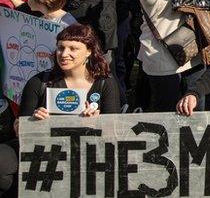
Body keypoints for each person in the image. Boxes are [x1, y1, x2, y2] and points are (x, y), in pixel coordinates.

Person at [0, 23, 122, 193]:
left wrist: (98, 124)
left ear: (89, 51)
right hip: (44, 150)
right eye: (60, 48)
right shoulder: (39, 82)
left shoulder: (105, 83)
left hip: (88, 153)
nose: (64, 54)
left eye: (73, 48)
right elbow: (18, 130)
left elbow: (116, 133)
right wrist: (32, 123)